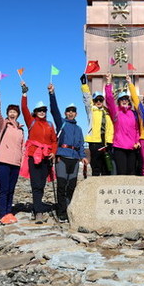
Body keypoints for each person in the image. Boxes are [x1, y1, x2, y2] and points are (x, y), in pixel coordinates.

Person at [48, 83, 88, 222]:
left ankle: (69, 208)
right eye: (68, 111)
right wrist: (52, 94)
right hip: (62, 158)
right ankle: (61, 211)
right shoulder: (61, 124)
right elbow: (54, 110)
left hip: (75, 159)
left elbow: (81, 145)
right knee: (61, 185)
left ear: (76, 114)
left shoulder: (78, 128)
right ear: (66, 113)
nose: (70, 113)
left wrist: (83, 157)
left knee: (71, 186)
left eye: (73, 111)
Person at [20, 81, 57, 224]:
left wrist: (53, 152)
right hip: (33, 156)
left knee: (41, 184)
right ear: (35, 112)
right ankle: (38, 211)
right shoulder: (31, 122)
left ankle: (37, 207)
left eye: (44, 110)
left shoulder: (50, 125)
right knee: (36, 184)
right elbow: (23, 108)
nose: (42, 112)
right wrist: (24, 93)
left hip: (46, 157)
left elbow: (54, 141)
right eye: (39, 110)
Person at [0, 91, 25, 225]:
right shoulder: (3, 124)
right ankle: (2, 214)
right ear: (7, 113)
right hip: (3, 161)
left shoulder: (21, 130)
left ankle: (9, 211)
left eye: (15, 112)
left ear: (18, 114)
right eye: (10, 111)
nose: (12, 114)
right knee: (4, 189)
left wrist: (22, 162)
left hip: (16, 163)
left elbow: (22, 147)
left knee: (11, 189)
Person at [105, 73, 140, 175]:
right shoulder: (115, 112)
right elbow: (109, 99)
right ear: (119, 102)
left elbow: (137, 129)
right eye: (122, 99)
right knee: (121, 173)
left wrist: (137, 141)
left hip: (132, 147)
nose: (124, 101)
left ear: (129, 102)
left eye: (126, 99)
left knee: (131, 173)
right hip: (119, 147)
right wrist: (108, 82)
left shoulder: (133, 113)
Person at [80, 74, 114, 176]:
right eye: (96, 100)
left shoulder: (108, 111)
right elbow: (87, 100)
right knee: (96, 167)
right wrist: (84, 85)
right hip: (95, 142)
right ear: (94, 101)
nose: (98, 102)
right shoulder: (91, 110)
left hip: (107, 142)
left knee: (107, 168)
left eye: (100, 100)